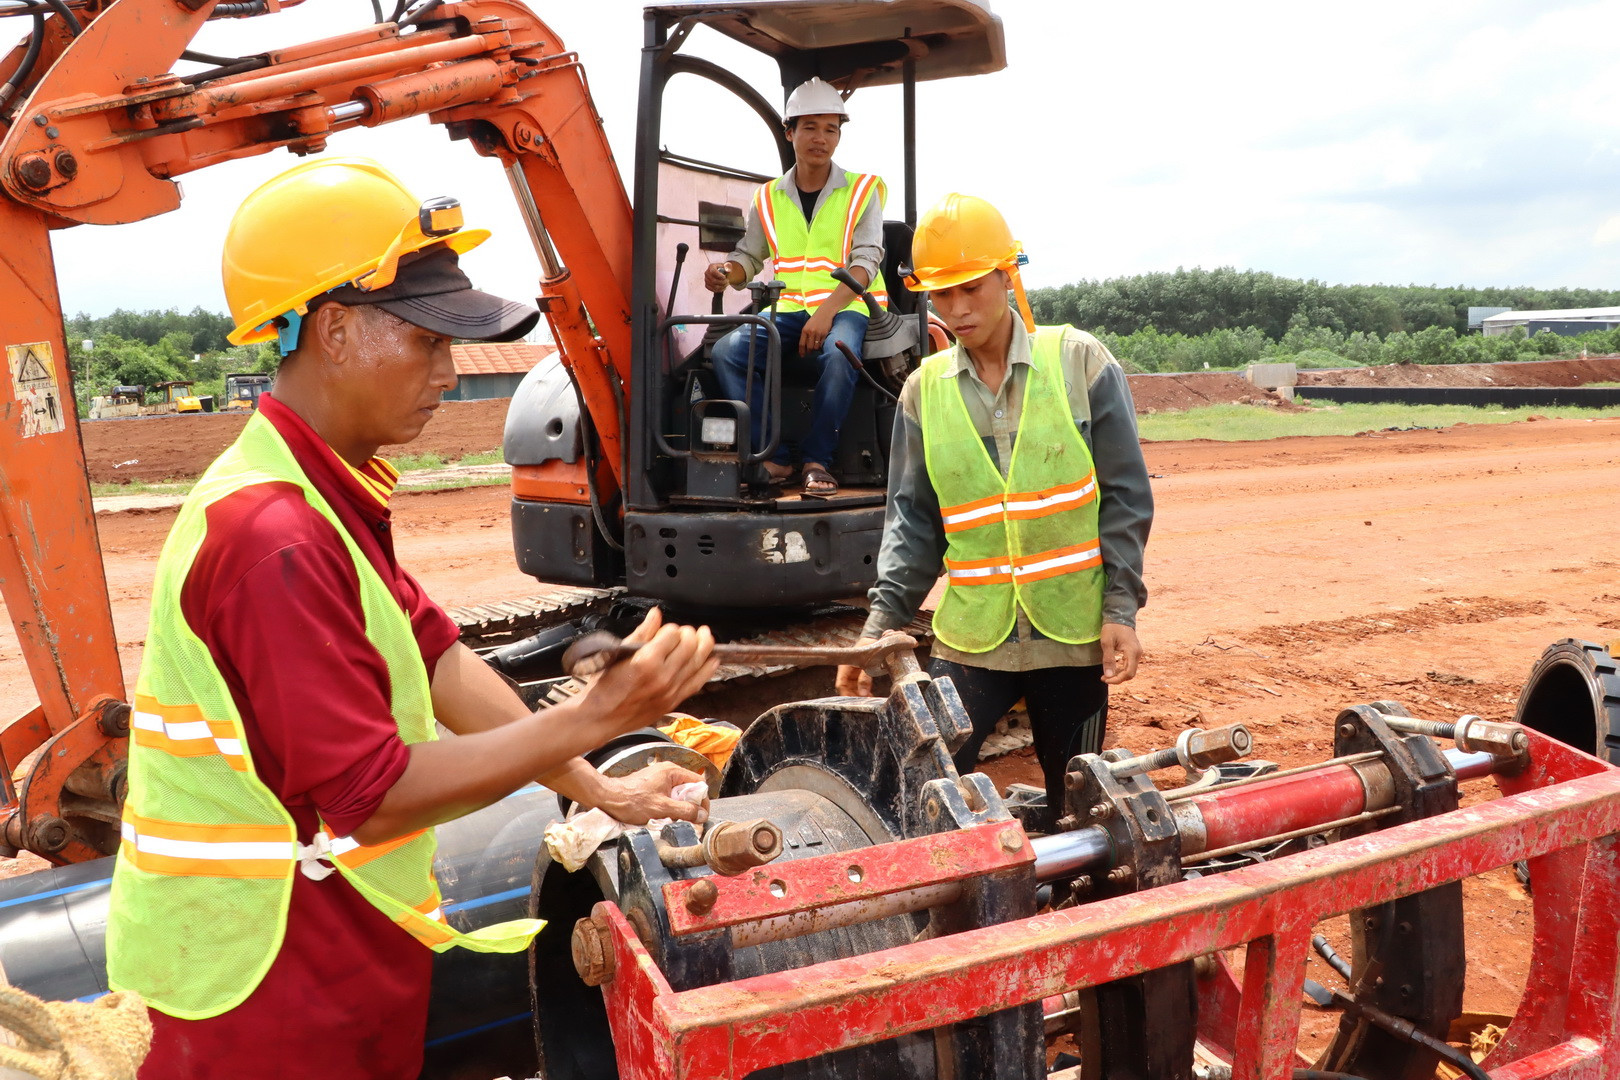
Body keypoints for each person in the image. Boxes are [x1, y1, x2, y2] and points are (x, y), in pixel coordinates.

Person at [105, 158, 718, 1079]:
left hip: (326, 953)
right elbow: (373, 797)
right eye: (427, 339)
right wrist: (596, 714)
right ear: (338, 329)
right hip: (257, 988)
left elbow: (440, 666)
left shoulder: (325, 490)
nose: (448, 369)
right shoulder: (273, 536)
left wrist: (600, 786)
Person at [835, 194, 1154, 824]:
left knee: (1080, 810)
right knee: (926, 794)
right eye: (941, 295)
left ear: (1008, 278)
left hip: (1073, 636)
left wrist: (1121, 606)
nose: (956, 310)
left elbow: (1125, 495)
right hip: (972, 640)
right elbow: (913, 524)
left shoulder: (1079, 363)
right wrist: (878, 627)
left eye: (971, 289)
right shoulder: (922, 394)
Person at [704, 77, 888, 495]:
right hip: (786, 310)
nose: (820, 139)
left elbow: (867, 262)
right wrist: (725, 272)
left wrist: (825, 313)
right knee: (728, 351)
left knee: (839, 355)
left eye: (830, 129)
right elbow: (748, 258)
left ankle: (818, 458)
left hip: (848, 308)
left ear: (839, 136)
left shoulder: (863, 191)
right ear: (790, 133)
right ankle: (773, 454)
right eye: (810, 127)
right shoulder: (768, 197)